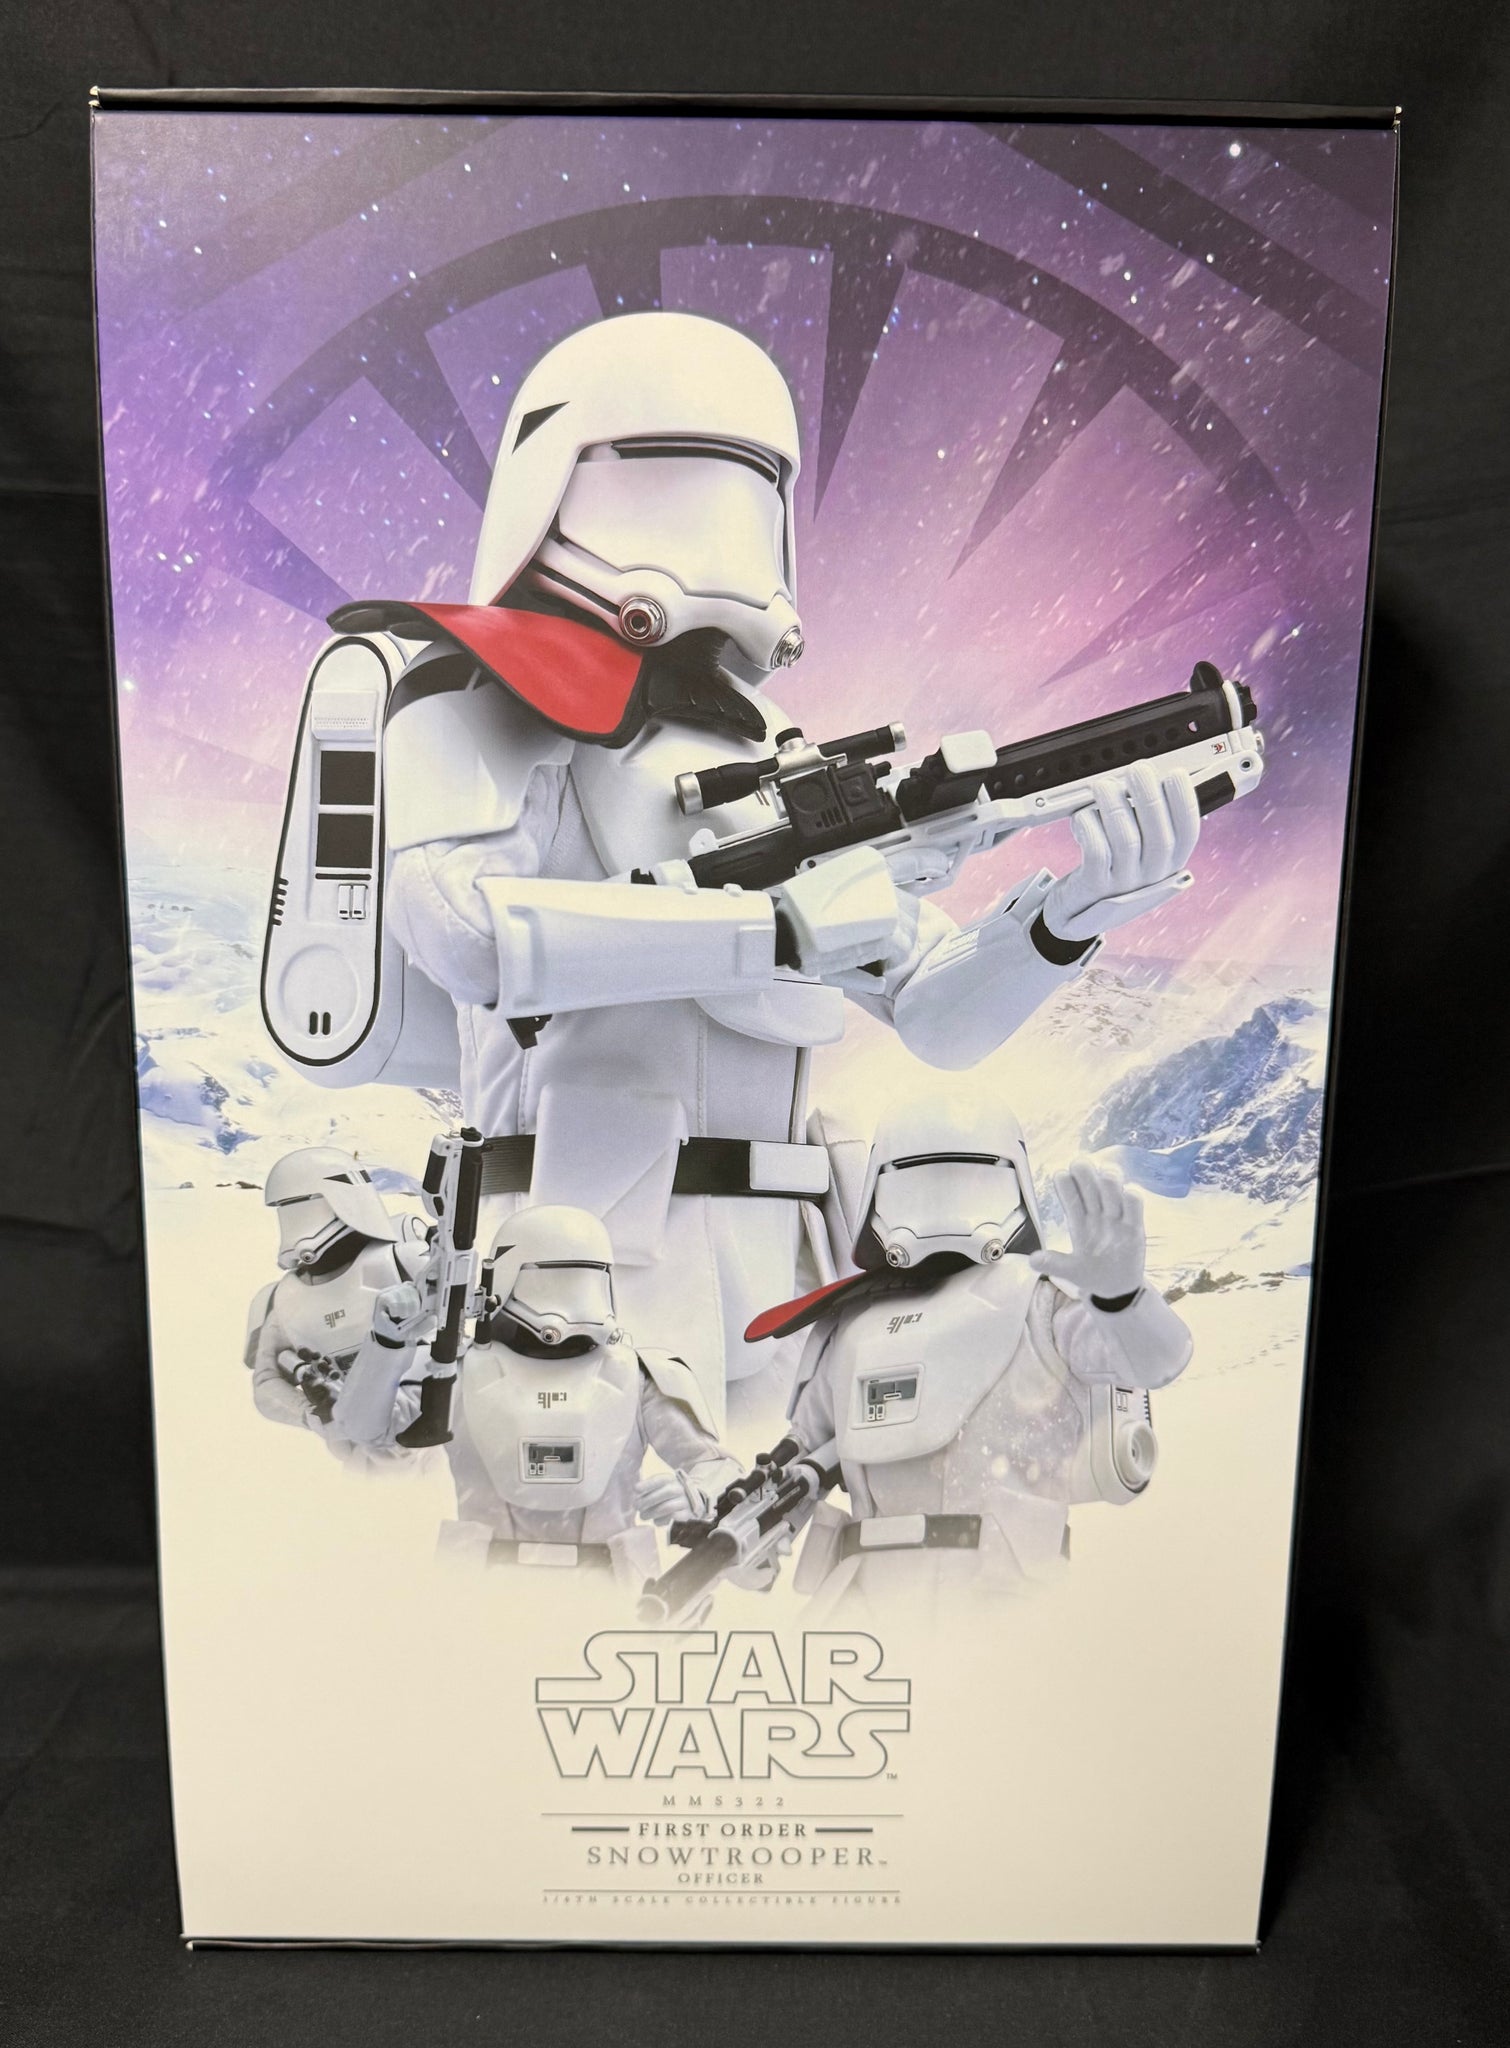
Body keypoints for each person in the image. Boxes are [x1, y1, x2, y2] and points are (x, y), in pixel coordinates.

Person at [315, 310, 1203, 1424]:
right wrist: (776, 930)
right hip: (576, 1254)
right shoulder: (474, 688)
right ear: (562, 481)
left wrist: (1066, 917)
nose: (714, 524)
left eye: (746, 485)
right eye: (674, 472)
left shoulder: (769, 742)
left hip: (787, 1263)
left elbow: (933, 1010)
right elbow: (468, 935)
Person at [736, 1091, 1193, 1618]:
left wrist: (1122, 1300)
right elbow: (802, 1454)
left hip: (998, 1602)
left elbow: (1155, 1361)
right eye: (917, 1180)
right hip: (863, 1599)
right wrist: (753, 1533)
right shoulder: (852, 1322)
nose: (944, 1203)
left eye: (971, 1179)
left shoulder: (1042, 1303)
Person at [430, 1204, 741, 1595]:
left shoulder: (638, 1375)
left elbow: (718, 1466)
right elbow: (380, 1448)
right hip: (480, 1591)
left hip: (611, 1589)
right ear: (507, 1279)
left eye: (587, 1276)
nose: (574, 1298)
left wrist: (698, 1492)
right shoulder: (455, 1373)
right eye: (559, 1276)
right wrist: (388, 1342)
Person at [244, 1145, 429, 1467]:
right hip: (363, 1464)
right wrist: (318, 1415)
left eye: (298, 1205)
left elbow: (462, 1342)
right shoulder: (282, 1298)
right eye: (285, 1208)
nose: (292, 1220)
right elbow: (265, 1385)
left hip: (435, 1444)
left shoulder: (404, 1260)